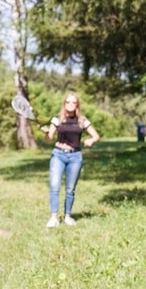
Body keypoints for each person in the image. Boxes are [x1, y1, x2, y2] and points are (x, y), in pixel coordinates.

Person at [41, 91, 99, 228]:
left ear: (77, 104)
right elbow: (49, 139)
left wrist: (91, 140)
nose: (71, 104)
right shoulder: (57, 119)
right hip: (58, 155)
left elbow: (96, 136)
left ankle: (67, 216)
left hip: (75, 157)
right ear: (64, 104)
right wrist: (45, 133)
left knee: (70, 189)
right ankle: (54, 217)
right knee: (54, 186)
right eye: (68, 102)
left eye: (74, 102)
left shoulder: (82, 121)